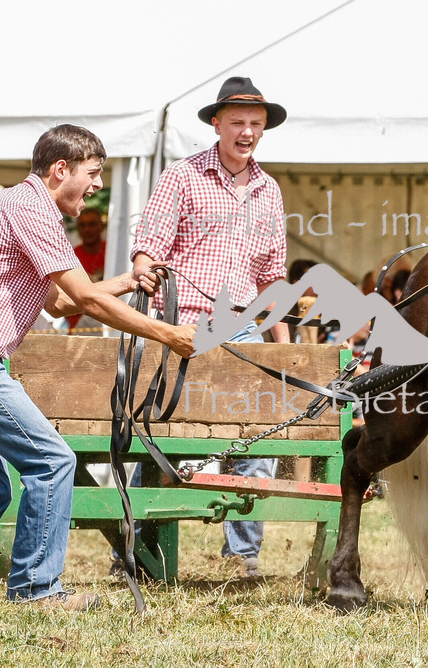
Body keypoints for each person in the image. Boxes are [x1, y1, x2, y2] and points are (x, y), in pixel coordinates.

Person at [0, 125, 196, 613]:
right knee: (52, 462)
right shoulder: (34, 209)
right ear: (60, 169)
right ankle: (35, 590)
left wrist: (128, 281)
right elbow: (86, 301)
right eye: (93, 173)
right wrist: (170, 335)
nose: (97, 185)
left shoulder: (8, 203)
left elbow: (59, 301)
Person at [130, 77, 288, 578]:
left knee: (257, 433)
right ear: (216, 123)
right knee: (163, 434)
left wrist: (283, 349)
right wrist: (146, 286)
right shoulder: (182, 175)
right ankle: (134, 548)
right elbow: (147, 248)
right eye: (237, 122)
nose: (247, 131)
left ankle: (242, 555)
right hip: (182, 320)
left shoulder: (269, 190)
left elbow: (272, 277)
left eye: (256, 124)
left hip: (241, 326)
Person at [67, 208, 106, 334]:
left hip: (109, 321)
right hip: (78, 326)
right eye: (82, 225)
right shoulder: (71, 256)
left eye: (92, 224)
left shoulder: (112, 252)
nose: (87, 229)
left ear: (101, 227)